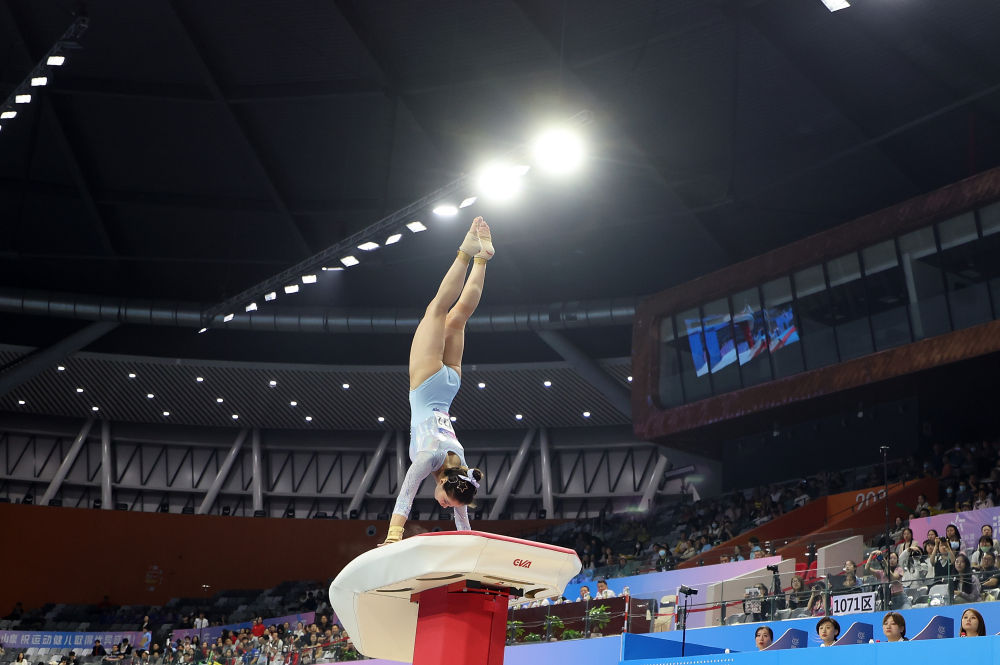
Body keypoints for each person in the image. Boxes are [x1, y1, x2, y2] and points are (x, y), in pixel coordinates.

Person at [380, 217, 492, 545]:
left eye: (446, 505)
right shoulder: (429, 458)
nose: (442, 504)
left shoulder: (465, 472)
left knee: (458, 318)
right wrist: (393, 535)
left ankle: (482, 258)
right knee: (438, 310)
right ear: (446, 484)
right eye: (445, 500)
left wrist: (469, 548)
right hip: (427, 383)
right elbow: (407, 492)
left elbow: (463, 521)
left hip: (451, 384)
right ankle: (465, 252)